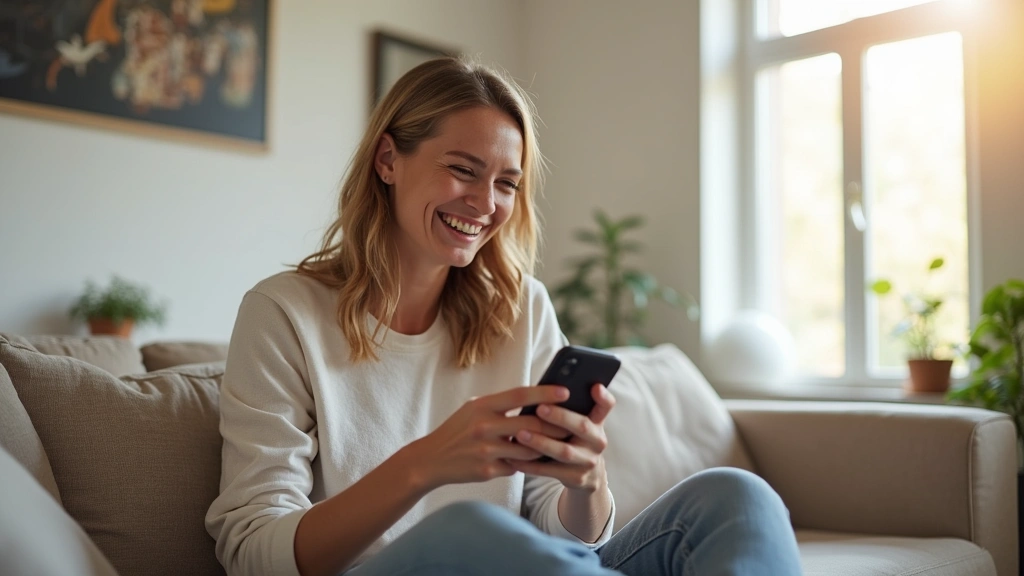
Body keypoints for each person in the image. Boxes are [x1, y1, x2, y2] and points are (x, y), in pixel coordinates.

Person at [204, 56, 803, 576]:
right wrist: (423, 465)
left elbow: (564, 539)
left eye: (507, 183)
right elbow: (252, 552)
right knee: (469, 530)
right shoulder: (284, 314)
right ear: (388, 159)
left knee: (736, 497)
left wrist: (586, 482)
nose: (485, 203)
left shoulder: (521, 309)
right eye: (462, 169)